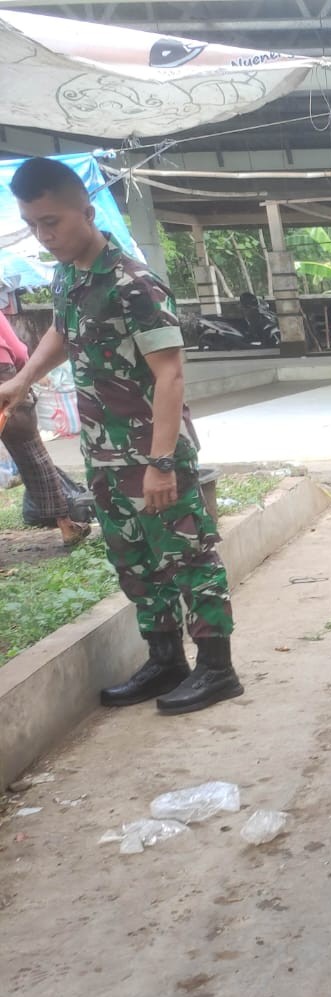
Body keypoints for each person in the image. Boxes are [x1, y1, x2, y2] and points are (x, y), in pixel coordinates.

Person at [0, 157, 241, 713]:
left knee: (188, 558)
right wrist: (21, 378)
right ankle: (164, 661)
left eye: (53, 221)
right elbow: (64, 329)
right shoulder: (69, 275)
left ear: (86, 211)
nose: (45, 235)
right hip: (104, 452)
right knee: (134, 560)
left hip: (151, 452)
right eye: (33, 223)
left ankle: (216, 668)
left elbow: (170, 374)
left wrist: (159, 463)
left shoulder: (135, 283)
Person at [0, 310, 90, 547]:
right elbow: (18, 351)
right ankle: (66, 525)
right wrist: (22, 379)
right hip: (4, 381)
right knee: (32, 452)